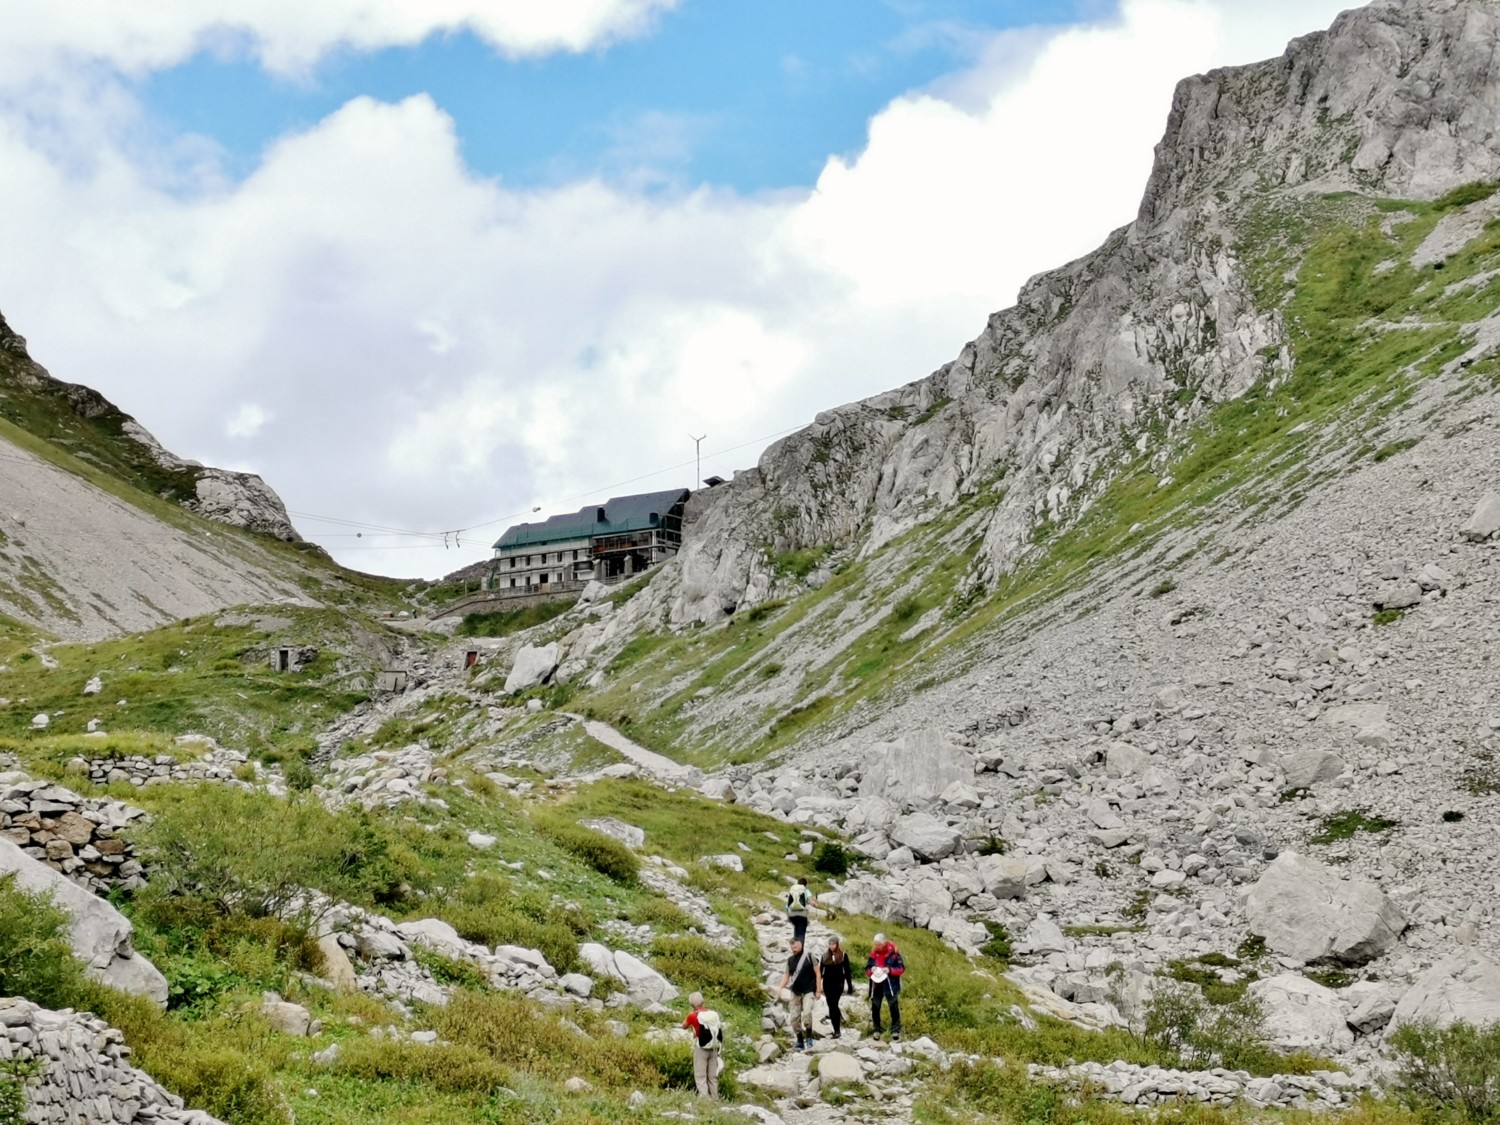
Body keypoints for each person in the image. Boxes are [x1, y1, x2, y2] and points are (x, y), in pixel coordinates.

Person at [777, 938, 822, 1050]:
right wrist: (780, 987)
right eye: (792, 948)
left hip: (808, 990)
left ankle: (809, 1036)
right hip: (795, 991)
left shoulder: (810, 957)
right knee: (794, 1017)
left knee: (807, 1013)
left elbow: (818, 973)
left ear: (801, 945)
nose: (794, 950)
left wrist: (818, 990)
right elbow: (787, 976)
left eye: (796, 947)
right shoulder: (790, 960)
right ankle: (800, 1040)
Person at [682, 991, 723, 1098]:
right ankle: (715, 1098)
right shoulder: (713, 1014)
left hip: (701, 1048)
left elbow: (684, 1026)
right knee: (712, 1077)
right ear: (702, 1001)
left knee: (700, 1076)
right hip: (714, 1047)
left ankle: (705, 1100)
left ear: (691, 1004)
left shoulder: (693, 1015)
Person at [865, 932, 905, 1042]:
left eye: (878, 944)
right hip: (876, 984)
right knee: (875, 1006)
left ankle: (895, 1029)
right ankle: (877, 1029)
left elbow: (901, 969)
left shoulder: (894, 953)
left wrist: (890, 970)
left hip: (890, 984)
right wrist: (871, 970)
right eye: (875, 944)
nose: (877, 947)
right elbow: (867, 969)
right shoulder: (873, 954)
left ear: (884, 943)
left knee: (893, 1006)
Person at [820, 934, 854, 1039]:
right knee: (831, 1005)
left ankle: (837, 1030)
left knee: (834, 1004)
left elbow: (847, 971)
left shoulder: (843, 955)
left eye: (833, 944)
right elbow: (820, 972)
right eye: (830, 944)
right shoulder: (824, 956)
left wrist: (850, 986)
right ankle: (837, 1025)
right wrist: (817, 986)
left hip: (839, 983)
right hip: (827, 984)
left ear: (837, 944)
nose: (831, 946)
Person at [785, 876, 816, 945]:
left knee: (796, 929)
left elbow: (787, 905)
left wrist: (788, 915)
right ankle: (799, 951)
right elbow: (811, 902)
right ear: (805, 885)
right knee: (801, 933)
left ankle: (795, 948)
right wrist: (816, 904)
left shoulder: (793, 890)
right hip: (802, 915)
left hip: (791, 914)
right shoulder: (806, 890)